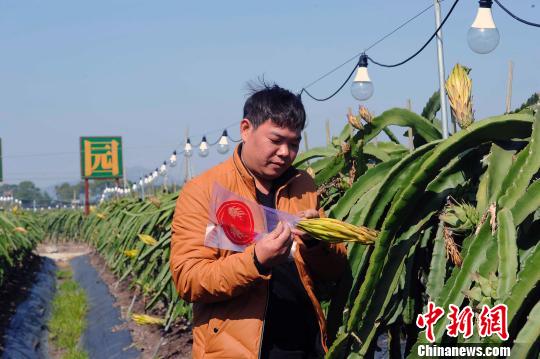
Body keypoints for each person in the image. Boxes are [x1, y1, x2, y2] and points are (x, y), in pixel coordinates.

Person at [170, 84, 348, 358]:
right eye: (275, 140)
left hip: (307, 345)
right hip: (239, 350)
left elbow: (335, 270)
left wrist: (316, 243)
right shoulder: (203, 191)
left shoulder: (303, 185)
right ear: (245, 129)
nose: (285, 152)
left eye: (294, 143)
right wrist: (256, 261)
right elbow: (189, 279)